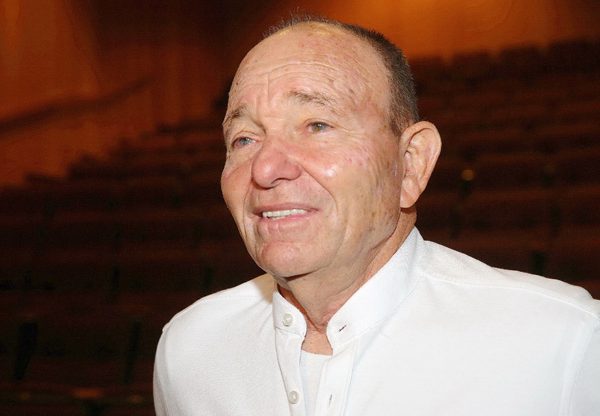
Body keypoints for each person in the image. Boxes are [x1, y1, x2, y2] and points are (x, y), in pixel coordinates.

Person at [154, 16, 599, 415]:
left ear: (411, 163)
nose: (265, 168)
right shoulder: (190, 349)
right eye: (244, 139)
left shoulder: (563, 343)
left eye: (317, 125)